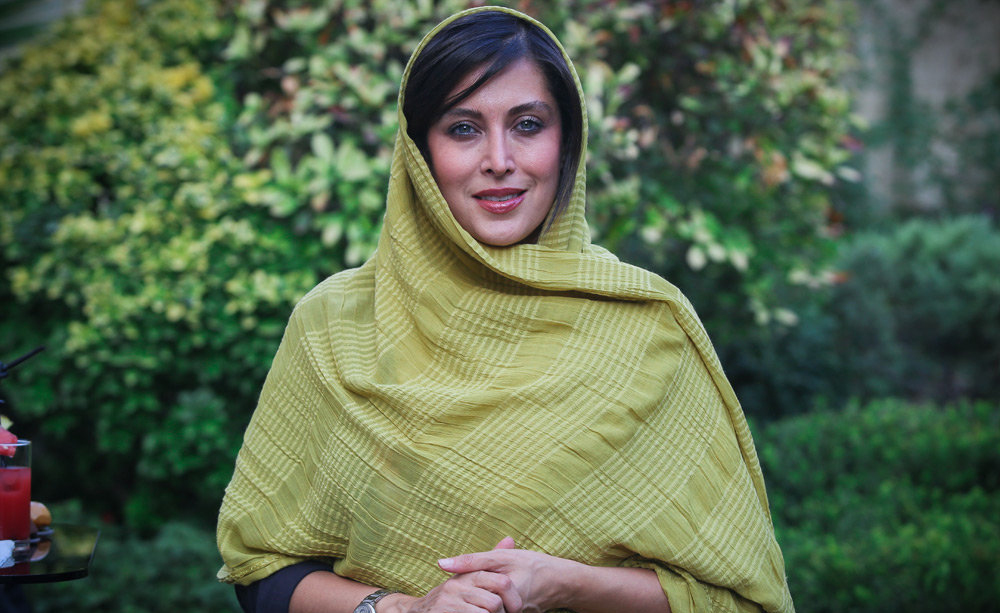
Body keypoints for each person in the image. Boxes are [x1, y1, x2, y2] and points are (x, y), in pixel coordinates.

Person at [216, 7, 795, 613]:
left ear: (566, 142)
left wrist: (565, 583)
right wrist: (403, 609)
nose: (498, 158)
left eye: (527, 124)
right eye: (463, 128)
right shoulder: (334, 324)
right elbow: (263, 570)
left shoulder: (647, 326)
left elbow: (738, 597)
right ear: (419, 151)